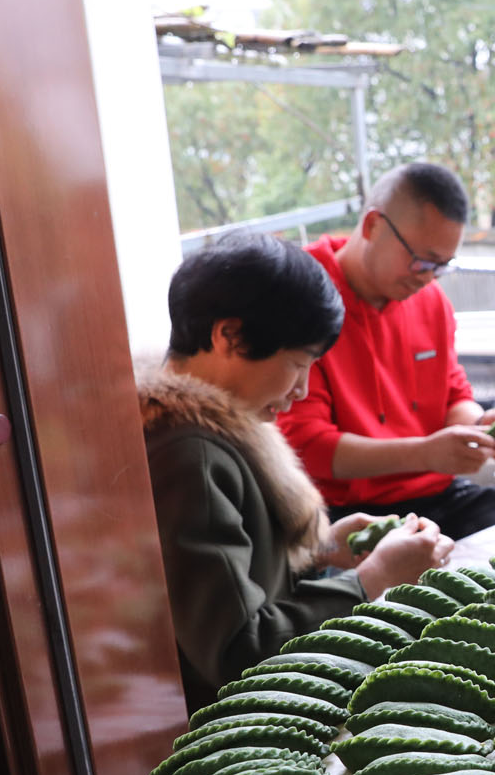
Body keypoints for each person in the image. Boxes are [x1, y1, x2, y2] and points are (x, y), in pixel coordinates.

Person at [141, 235, 452, 710]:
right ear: (230, 336)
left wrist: (321, 550)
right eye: (297, 363)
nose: (302, 389)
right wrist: (373, 578)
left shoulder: (217, 433)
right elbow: (237, 652)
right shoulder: (189, 456)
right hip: (238, 729)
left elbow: (241, 579)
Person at [276, 162, 495, 542]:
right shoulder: (303, 294)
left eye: (441, 266)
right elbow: (308, 447)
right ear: (372, 225)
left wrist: (478, 427)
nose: (427, 277)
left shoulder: (431, 302)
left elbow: (454, 395)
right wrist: (425, 454)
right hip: (338, 511)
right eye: (422, 260)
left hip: (437, 495)